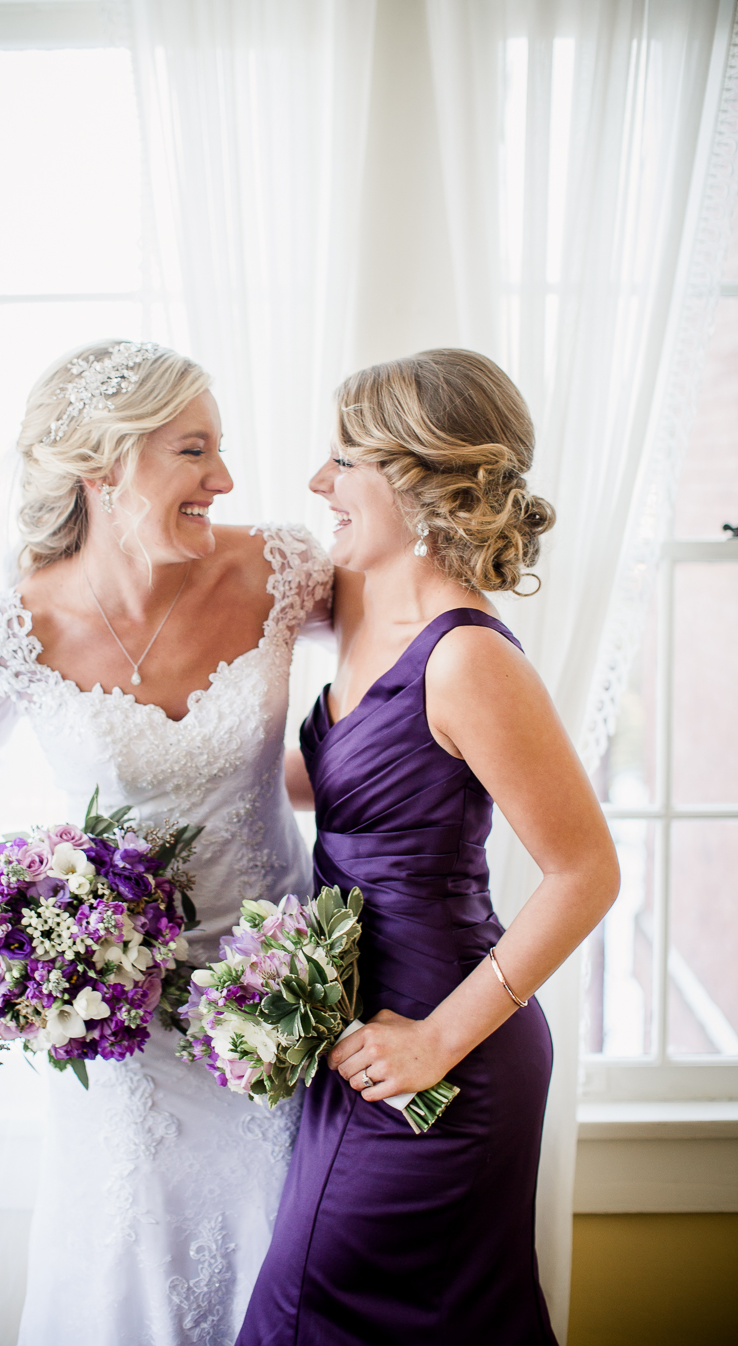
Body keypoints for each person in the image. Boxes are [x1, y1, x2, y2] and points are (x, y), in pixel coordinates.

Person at [0, 341, 332, 1346]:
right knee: (131, 1267)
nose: (225, 479)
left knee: (281, 1257)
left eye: (221, 451)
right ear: (107, 467)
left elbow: (399, 692)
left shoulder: (281, 569)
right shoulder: (8, 631)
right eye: (194, 451)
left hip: (277, 1004)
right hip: (119, 1027)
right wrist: (1, 951)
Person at [238, 349, 620, 1346]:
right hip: (356, 1038)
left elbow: (587, 873)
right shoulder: (360, 604)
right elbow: (343, 779)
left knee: (309, 1310)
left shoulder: (469, 659)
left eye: (340, 461)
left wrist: (437, 1040)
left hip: (445, 1049)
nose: (319, 484)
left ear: (415, 478)